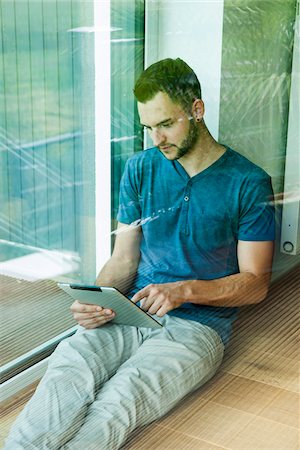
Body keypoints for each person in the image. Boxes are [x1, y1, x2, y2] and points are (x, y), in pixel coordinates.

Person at [5, 58, 275, 449]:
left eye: (166, 124)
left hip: (197, 328)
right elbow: (124, 259)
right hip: (129, 310)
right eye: (148, 127)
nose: (156, 139)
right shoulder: (139, 169)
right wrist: (95, 299)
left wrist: (183, 291)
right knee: (68, 368)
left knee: (119, 400)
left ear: (196, 111)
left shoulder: (248, 182)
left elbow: (255, 284)